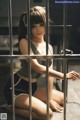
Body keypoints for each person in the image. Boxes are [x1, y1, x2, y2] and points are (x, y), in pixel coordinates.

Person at [4, 6, 80, 120]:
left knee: (64, 98)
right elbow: (37, 67)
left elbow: (49, 76)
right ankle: (10, 107)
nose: (38, 29)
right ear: (28, 28)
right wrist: (64, 75)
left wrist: (49, 99)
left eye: (41, 25)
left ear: (46, 24)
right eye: (33, 26)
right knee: (47, 115)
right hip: (17, 88)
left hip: (34, 87)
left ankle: (36, 101)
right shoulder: (24, 42)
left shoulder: (49, 47)